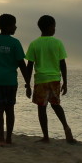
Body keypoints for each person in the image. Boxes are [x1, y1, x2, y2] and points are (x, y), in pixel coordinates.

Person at [25, 15, 76, 144]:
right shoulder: (57, 43)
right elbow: (62, 63)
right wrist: (65, 81)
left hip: (41, 80)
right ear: (50, 27)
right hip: (54, 79)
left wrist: (27, 84)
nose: (55, 29)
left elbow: (29, 66)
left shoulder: (34, 44)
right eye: (54, 26)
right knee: (56, 105)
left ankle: (46, 136)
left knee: (41, 108)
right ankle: (66, 126)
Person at [0, 13, 29, 146]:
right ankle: (8, 139)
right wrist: (28, 82)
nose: (16, 27)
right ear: (8, 26)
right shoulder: (15, 43)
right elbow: (21, 64)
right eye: (14, 24)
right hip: (10, 81)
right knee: (9, 109)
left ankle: (0, 139)